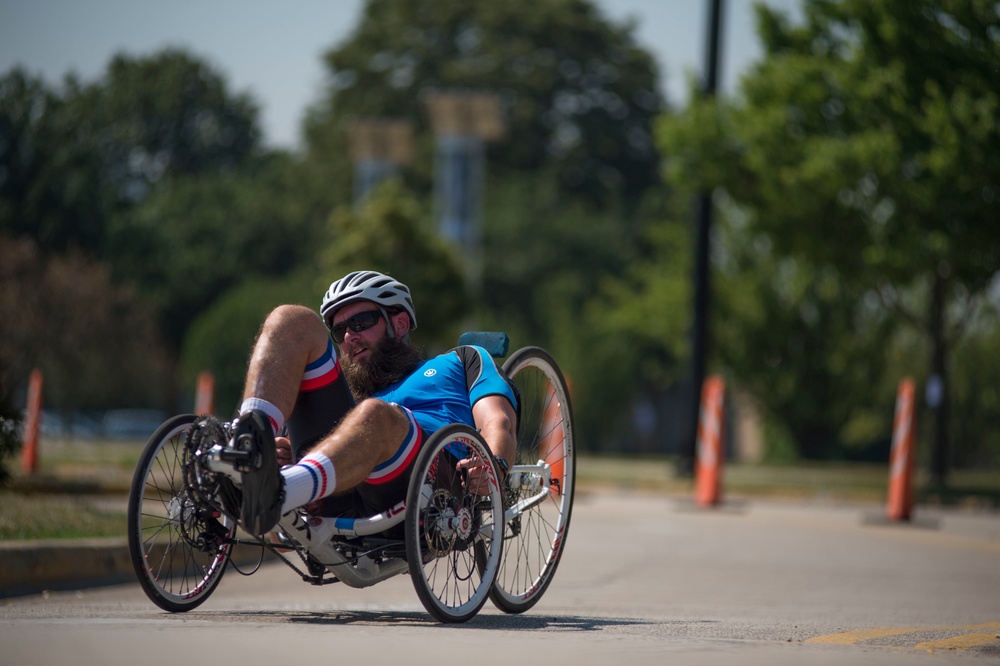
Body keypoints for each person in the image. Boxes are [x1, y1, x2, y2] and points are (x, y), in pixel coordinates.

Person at [228, 270, 518, 536]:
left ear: (400, 323)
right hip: (338, 487)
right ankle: (248, 449)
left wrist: (496, 464)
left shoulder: (458, 360)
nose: (349, 337)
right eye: (339, 331)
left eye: (360, 322)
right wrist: (284, 454)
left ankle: (278, 492)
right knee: (290, 318)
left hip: (432, 479)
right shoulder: (349, 395)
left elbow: (497, 421)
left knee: (377, 414)